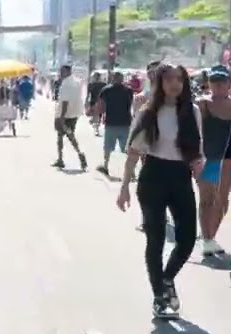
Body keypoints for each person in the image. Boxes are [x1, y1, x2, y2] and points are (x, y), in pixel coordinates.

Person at [116, 63, 203, 318]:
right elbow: (134, 151)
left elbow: (199, 150)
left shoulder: (192, 111)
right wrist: (124, 188)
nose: (175, 84)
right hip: (153, 176)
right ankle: (159, 298)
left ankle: (166, 280)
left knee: (187, 239)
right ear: (159, 83)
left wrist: (204, 182)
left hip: (181, 176)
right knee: (155, 240)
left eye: (179, 79)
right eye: (169, 79)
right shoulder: (149, 111)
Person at [194, 65, 231, 257]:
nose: (218, 86)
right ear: (209, 84)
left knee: (222, 202)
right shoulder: (202, 104)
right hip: (206, 159)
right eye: (214, 82)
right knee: (207, 200)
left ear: (228, 84)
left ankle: (210, 237)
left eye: (222, 82)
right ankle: (207, 239)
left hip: (227, 162)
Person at [94, 71, 135, 177]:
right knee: (126, 148)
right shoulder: (128, 90)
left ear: (113, 78)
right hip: (125, 122)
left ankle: (106, 166)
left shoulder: (106, 90)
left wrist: (97, 117)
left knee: (108, 147)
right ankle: (132, 172)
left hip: (111, 122)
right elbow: (130, 104)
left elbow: (101, 106)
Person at [53, 64, 87, 170]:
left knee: (63, 136)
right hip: (74, 113)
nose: (61, 73)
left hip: (65, 115)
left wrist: (62, 116)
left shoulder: (66, 84)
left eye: (63, 71)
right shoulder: (76, 82)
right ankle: (68, 156)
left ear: (68, 72)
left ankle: (63, 158)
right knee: (69, 135)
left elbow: (65, 101)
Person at [86, 70, 107, 137]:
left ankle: (96, 127)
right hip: (95, 101)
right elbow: (88, 94)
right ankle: (96, 128)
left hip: (99, 101)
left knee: (98, 116)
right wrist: (86, 102)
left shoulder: (102, 84)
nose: (96, 78)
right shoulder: (91, 84)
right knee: (97, 116)